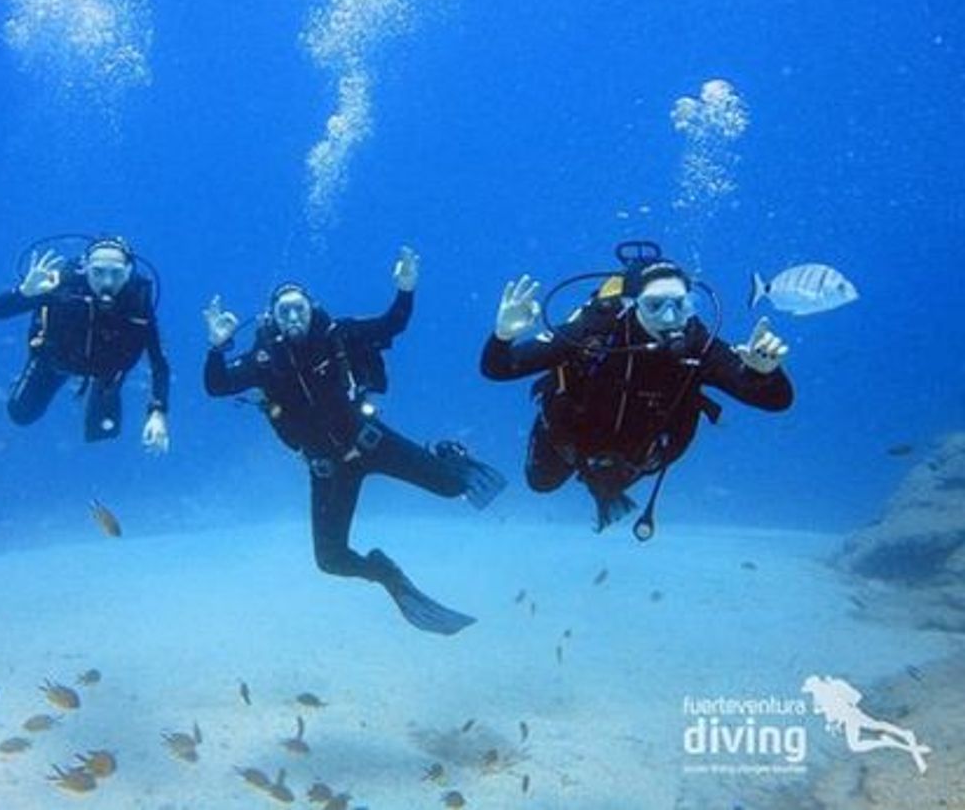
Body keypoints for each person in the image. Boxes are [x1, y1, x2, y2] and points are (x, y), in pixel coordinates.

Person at [203, 246, 505, 635]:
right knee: (330, 559)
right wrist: (215, 347)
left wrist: (406, 289)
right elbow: (216, 385)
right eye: (285, 312)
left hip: (371, 443)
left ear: (312, 308)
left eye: (300, 309)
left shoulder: (338, 335)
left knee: (453, 487)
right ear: (273, 318)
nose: (294, 317)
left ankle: (447, 454)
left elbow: (392, 324)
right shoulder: (263, 358)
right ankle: (385, 572)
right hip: (327, 470)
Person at [481, 241, 793, 539]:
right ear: (631, 304)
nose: (670, 318)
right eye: (655, 306)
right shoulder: (593, 331)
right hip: (568, 441)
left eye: (680, 305)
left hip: (639, 457)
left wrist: (766, 373)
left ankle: (606, 490)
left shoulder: (698, 343)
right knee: (540, 484)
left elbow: (777, 400)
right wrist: (503, 336)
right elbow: (497, 368)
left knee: (610, 485)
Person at [0, 236, 170, 450]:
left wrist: (158, 412)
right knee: (21, 414)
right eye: (98, 272)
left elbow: (159, 362)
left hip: (106, 370)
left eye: (117, 273)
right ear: (86, 268)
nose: (107, 282)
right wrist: (24, 293)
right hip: (56, 361)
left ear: (129, 272)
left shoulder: (137, 301)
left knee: (104, 435)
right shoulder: (61, 286)